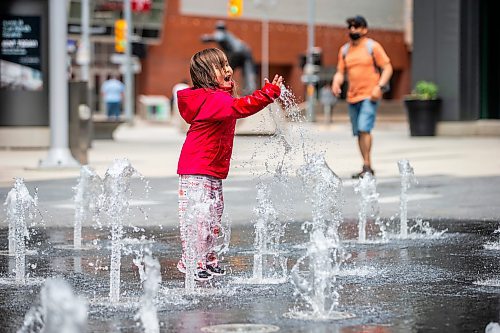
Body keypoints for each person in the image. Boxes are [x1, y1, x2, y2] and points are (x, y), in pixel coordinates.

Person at [176, 48, 283, 281]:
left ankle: (207, 258)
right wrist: (268, 94)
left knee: (213, 215)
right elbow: (241, 108)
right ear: (205, 75)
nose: (227, 69)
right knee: (199, 218)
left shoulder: (216, 98)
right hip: (197, 168)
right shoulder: (213, 100)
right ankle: (191, 261)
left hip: (210, 169)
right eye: (219, 66)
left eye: (226, 64)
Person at [331, 15, 393, 178]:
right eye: (350, 27)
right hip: (352, 97)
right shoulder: (344, 50)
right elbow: (340, 72)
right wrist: (336, 83)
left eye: (356, 26)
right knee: (359, 131)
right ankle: (366, 165)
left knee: (364, 128)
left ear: (364, 29)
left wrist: (379, 87)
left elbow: (387, 67)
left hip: (369, 95)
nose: (353, 30)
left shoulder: (372, 47)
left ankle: (367, 165)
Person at [201, 21, 257, 95]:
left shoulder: (221, 33)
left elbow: (219, 37)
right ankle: (250, 91)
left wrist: (206, 38)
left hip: (236, 53)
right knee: (248, 72)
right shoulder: (230, 35)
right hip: (246, 52)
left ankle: (222, 89)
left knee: (226, 71)